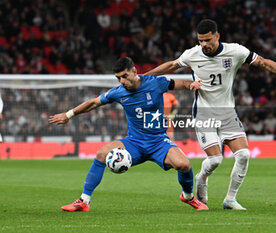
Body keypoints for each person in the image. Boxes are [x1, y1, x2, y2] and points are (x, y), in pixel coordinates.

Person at [144, 19, 276, 210]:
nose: (204, 45)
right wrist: (144, 77)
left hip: (228, 113)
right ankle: (202, 177)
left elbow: (264, 63)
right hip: (204, 114)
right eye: (200, 41)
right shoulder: (192, 54)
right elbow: (172, 65)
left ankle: (230, 199)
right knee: (215, 160)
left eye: (207, 40)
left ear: (217, 36)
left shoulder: (236, 51)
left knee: (244, 155)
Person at [49, 57, 208, 211]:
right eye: (118, 78)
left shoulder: (156, 83)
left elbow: (181, 84)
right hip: (134, 142)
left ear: (134, 71)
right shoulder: (118, 92)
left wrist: (191, 85)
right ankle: (83, 201)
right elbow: (94, 102)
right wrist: (68, 115)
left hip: (158, 142)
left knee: (184, 165)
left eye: (125, 76)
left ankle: (187, 197)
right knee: (101, 154)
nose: (122, 81)